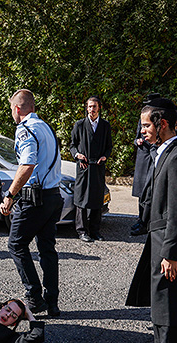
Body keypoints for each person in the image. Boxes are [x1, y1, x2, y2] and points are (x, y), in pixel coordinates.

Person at [126, 98, 177, 343]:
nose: (142, 131)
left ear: (162, 124)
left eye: (146, 125)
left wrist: (171, 252)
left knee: (167, 300)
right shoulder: (163, 153)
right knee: (160, 299)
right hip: (159, 238)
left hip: (169, 243)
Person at [0, 89, 63, 317]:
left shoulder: (24, 129)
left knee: (16, 245)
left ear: (17, 108)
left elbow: (27, 165)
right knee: (47, 248)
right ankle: (52, 302)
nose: (12, 115)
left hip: (35, 198)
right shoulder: (45, 127)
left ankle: (35, 298)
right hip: (53, 196)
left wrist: (10, 195)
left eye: (11, 110)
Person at [69, 96, 112, 242]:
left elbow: (109, 146)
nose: (92, 109)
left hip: (98, 167)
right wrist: (77, 155)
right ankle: (82, 231)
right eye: (89, 106)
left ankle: (95, 231)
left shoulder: (105, 126)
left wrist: (105, 156)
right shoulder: (79, 125)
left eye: (94, 107)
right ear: (86, 108)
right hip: (84, 166)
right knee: (81, 199)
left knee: (97, 199)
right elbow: (72, 146)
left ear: (99, 108)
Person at [130, 93, 160, 236]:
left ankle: (148, 222)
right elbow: (136, 138)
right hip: (143, 157)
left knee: (151, 191)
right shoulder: (142, 119)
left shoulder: (160, 121)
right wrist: (138, 141)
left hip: (153, 156)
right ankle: (140, 219)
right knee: (141, 191)